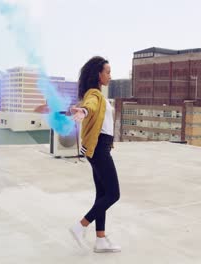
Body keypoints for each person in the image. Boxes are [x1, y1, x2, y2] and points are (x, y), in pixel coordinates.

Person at [69, 56, 121, 253]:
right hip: (98, 148)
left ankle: (100, 241)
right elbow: (89, 105)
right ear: (98, 74)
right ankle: (80, 226)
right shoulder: (94, 95)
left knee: (103, 194)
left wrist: (84, 110)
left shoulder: (100, 95)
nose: (110, 75)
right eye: (107, 71)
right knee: (114, 194)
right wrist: (83, 110)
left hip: (101, 148)